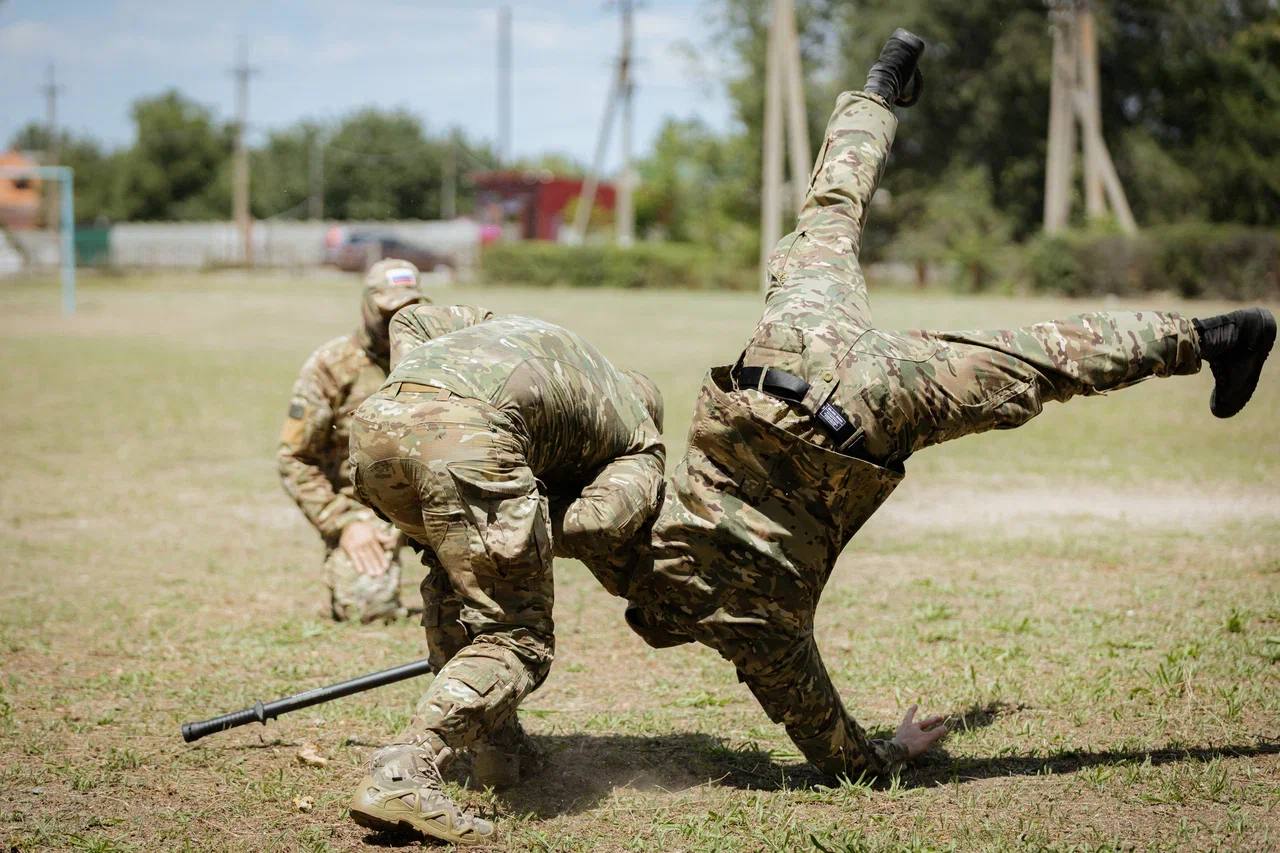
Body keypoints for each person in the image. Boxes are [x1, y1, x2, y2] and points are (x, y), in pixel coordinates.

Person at [617, 28, 1275, 783]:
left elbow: (845, 760)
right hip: (782, 357)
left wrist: (897, 746)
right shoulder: (655, 534)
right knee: (829, 215)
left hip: (866, 410)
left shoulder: (767, 638)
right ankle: (877, 91)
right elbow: (593, 505)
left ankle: (1214, 336)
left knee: (1039, 357)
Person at [345, 305, 666, 846]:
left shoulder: (543, 342)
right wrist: (533, 530)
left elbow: (412, 319)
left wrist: (417, 403)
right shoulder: (637, 439)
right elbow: (598, 524)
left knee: (453, 582)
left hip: (376, 427)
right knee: (517, 636)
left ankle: (497, 748)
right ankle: (407, 767)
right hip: (470, 439)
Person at [277, 259, 427, 623]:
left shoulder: (436, 358)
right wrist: (344, 523)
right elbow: (293, 458)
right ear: (367, 306)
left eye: (410, 311)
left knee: (490, 603)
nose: (398, 323)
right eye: (389, 312)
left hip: (434, 503)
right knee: (368, 608)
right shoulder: (332, 365)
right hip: (366, 511)